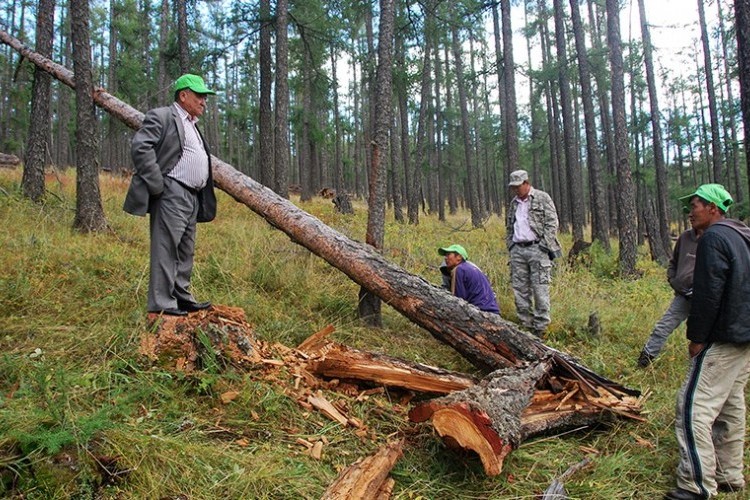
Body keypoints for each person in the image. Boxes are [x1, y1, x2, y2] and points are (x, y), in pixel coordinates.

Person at [665, 184, 750, 500]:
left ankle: (696, 485)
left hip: (723, 337)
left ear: (714, 208)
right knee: (731, 404)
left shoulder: (714, 238)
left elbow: (708, 293)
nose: (690, 211)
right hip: (744, 337)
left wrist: (697, 337)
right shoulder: (742, 235)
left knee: (692, 407)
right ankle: (729, 475)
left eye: (696, 205)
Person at [123, 74, 218, 316]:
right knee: (166, 247)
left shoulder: (192, 124)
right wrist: (158, 185)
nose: (204, 101)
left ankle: (181, 297)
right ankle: (162, 303)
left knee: (185, 249)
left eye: (205, 97)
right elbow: (141, 146)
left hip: (191, 196)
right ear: (183, 95)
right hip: (171, 191)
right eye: (199, 96)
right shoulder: (163, 115)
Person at [505, 169, 561, 337]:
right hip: (518, 250)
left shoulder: (542, 198)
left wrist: (544, 244)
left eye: (518, 186)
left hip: (538, 249)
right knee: (520, 289)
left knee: (540, 289)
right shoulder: (514, 203)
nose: (515, 190)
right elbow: (509, 226)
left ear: (526, 183)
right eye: (513, 187)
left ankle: (541, 328)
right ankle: (525, 326)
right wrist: (511, 245)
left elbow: (552, 223)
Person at [637, 226, 702, 367]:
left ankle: (697, 369)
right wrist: (673, 280)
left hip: (706, 300)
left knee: (701, 337)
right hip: (683, 296)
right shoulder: (685, 237)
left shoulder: (715, 238)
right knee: (663, 327)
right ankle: (644, 362)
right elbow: (673, 262)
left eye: (694, 207)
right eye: (688, 209)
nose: (690, 214)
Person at [438, 244, 500, 314]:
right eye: (445, 255)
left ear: (459, 257)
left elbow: (459, 301)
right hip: (493, 310)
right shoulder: (473, 268)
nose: (445, 258)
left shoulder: (459, 269)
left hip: (480, 312)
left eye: (448, 254)